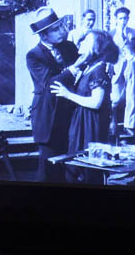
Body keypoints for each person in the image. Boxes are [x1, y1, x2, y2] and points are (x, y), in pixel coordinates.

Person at [26, 6, 87, 182]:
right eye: (56, 29)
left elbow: (84, 70)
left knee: (72, 168)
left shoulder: (69, 47)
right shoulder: (34, 56)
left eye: (61, 26)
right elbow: (50, 83)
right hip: (48, 117)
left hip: (71, 114)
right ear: (43, 35)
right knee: (49, 170)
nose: (62, 31)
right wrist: (74, 68)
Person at [49, 30, 114, 183]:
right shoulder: (88, 68)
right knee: (77, 168)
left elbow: (96, 102)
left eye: (86, 40)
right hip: (82, 123)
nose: (81, 42)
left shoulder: (98, 71)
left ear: (95, 47)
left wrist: (67, 95)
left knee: (88, 170)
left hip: (91, 126)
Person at [109, 7, 135, 137]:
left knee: (131, 95)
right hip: (116, 66)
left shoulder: (133, 32)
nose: (123, 21)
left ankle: (130, 125)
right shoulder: (111, 33)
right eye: (120, 18)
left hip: (130, 64)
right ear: (116, 19)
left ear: (128, 19)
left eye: (125, 18)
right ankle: (113, 123)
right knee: (115, 98)